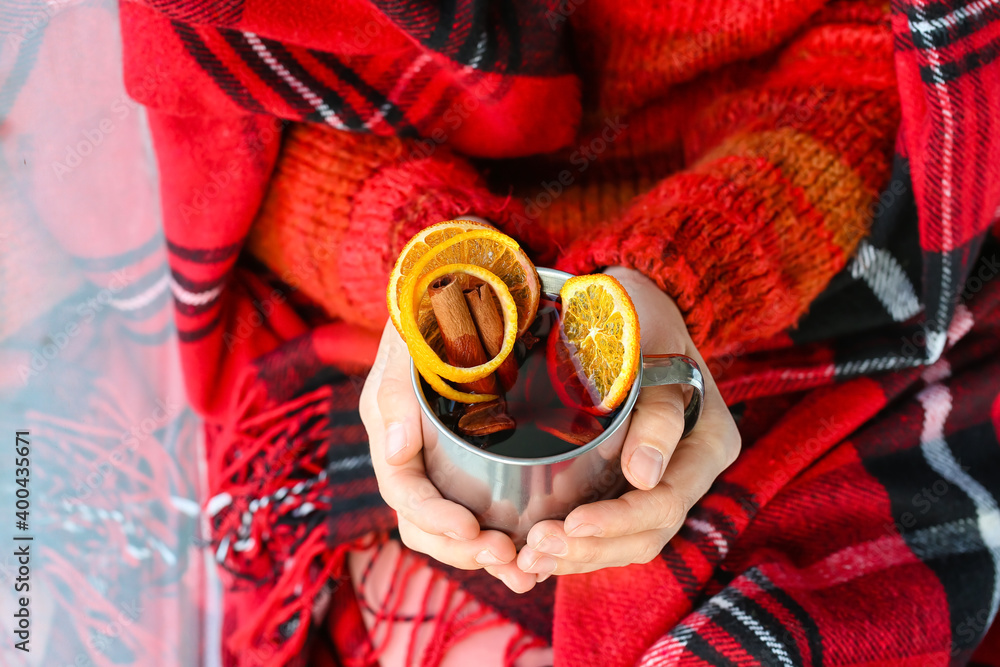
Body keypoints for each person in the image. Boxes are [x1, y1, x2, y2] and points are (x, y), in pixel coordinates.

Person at [114, 0, 1000, 664]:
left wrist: (686, 271)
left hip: (835, 284)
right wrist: (418, 260)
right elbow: (238, 131)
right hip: (377, 317)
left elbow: (881, 66)